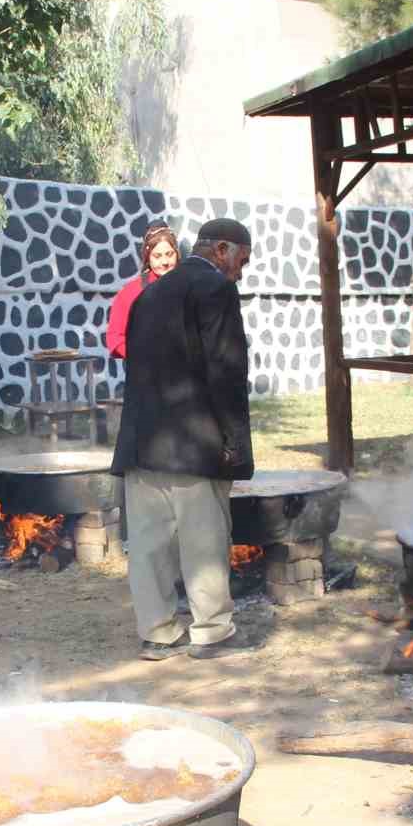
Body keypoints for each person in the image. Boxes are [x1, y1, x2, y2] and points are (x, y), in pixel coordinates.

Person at [110, 217, 258, 661]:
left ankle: (158, 631)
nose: (242, 270)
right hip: (194, 442)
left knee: (150, 545)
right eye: (242, 260)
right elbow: (226, 371)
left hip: (142, 442)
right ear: (220, 251)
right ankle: (212, 632)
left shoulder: (147, 293)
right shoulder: (215, 290)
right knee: (203, 541)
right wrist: (234, 442)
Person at [105, 222, 180, 359]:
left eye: (169, 254)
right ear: (147, 256)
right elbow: (115, 337)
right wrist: (140, 357)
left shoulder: (191, 287)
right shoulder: (131, 292)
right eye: (157, 256)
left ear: (177, 253)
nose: (164, 261)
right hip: (144, 373)